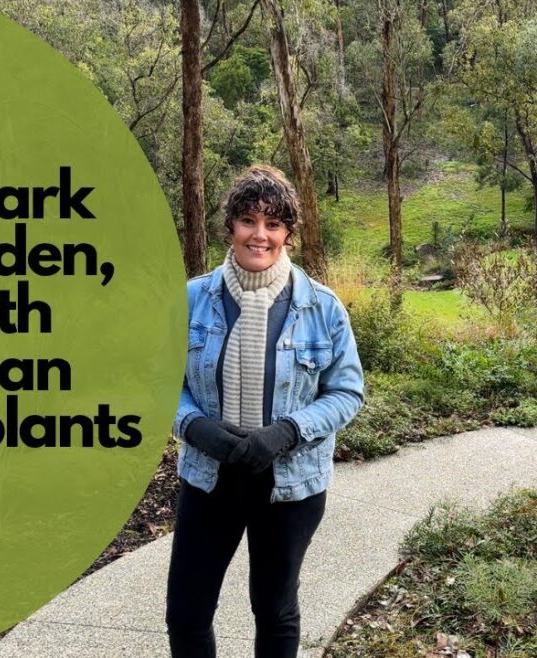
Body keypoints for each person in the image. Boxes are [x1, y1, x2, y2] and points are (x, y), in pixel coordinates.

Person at [166, 165, 365, 658]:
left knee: (275, 611)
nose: (260, 235)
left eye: (273, 224)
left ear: (287, 234)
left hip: (289, 484)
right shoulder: (191, 300)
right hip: (210, 478)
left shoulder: (322, 307)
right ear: (230, 226)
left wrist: (287, 432)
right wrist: (195, 426)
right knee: (186, 612)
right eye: (248, 220)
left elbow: (347, 392)